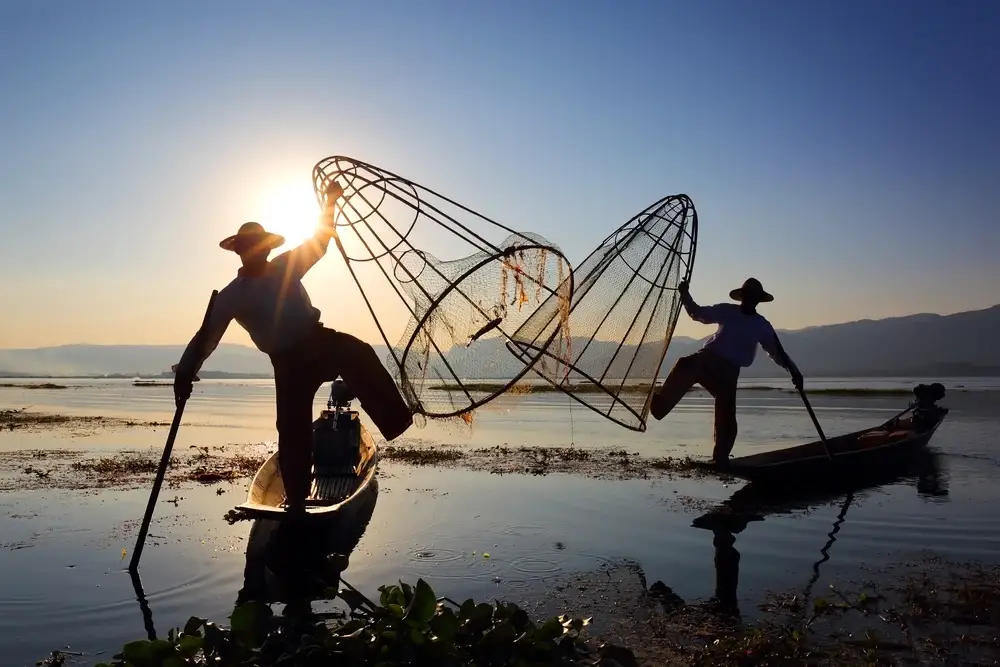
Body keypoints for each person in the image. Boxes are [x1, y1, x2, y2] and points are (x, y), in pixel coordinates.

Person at [173, 181, 413, 510]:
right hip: (286, 363)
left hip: (317, 342)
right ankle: (297, 502)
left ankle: (396, 420)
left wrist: (329, 202)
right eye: (248, 245)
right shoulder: (232, 295)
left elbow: (320, 241)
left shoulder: (286, 265)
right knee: (292, 428)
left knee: (359, 352)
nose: (255, 249)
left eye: (259, 244)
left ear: (266, 247)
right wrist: (185, 372)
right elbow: (206, 337)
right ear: (241, 251)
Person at [649, 277, 803, 465]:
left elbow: (778, 352)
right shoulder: (728, 311)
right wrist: (685, 295)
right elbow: (699, 313)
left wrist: (794, 371)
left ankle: (720, 458)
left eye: (753, 296)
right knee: (684, 365)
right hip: (705, 360)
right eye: (747, 295)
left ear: (757, 300)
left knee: (727, 415)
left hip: (728, 373)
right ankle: (658, 405)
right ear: (742, 296)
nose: (749, 299)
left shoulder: (762, 325)